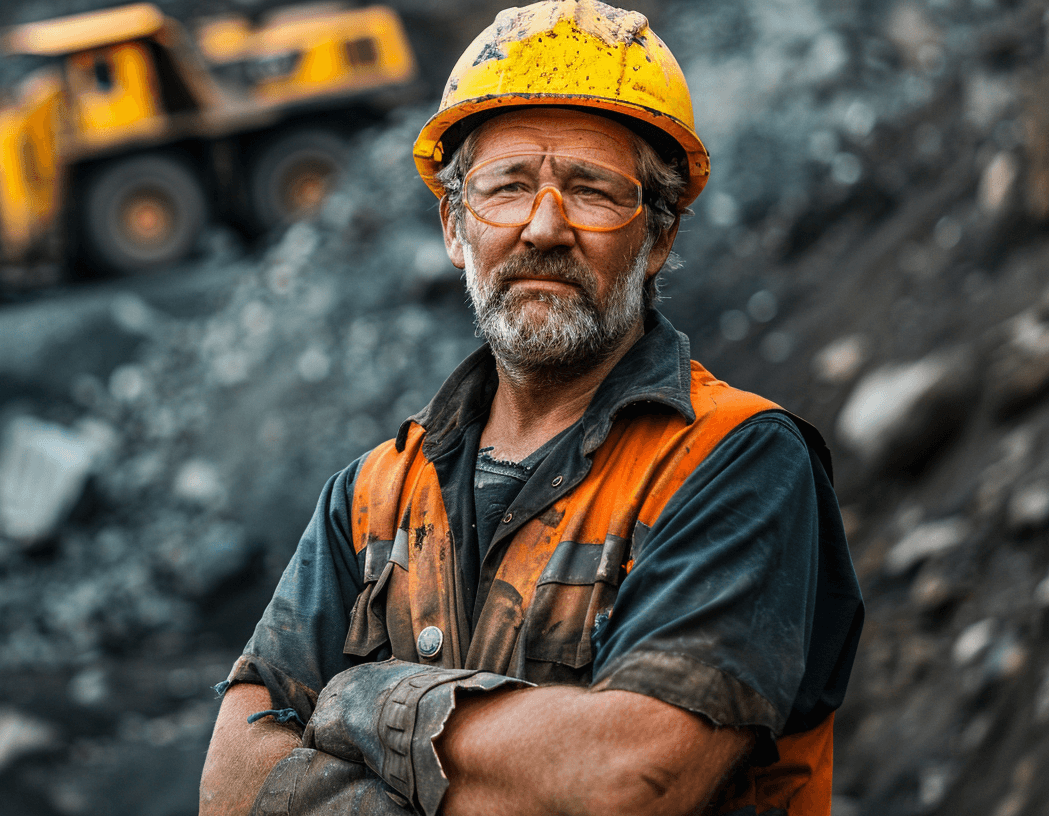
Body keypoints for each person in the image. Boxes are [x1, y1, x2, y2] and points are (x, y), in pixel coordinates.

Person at [199, 1, 864, 814]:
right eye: (506, 186)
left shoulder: (736, 463)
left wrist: (368, 700)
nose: (543, 227)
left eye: (590, 189)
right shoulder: (370, 496)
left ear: (656, 238)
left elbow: (630, 782)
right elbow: (231, 781)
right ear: (454, 225)